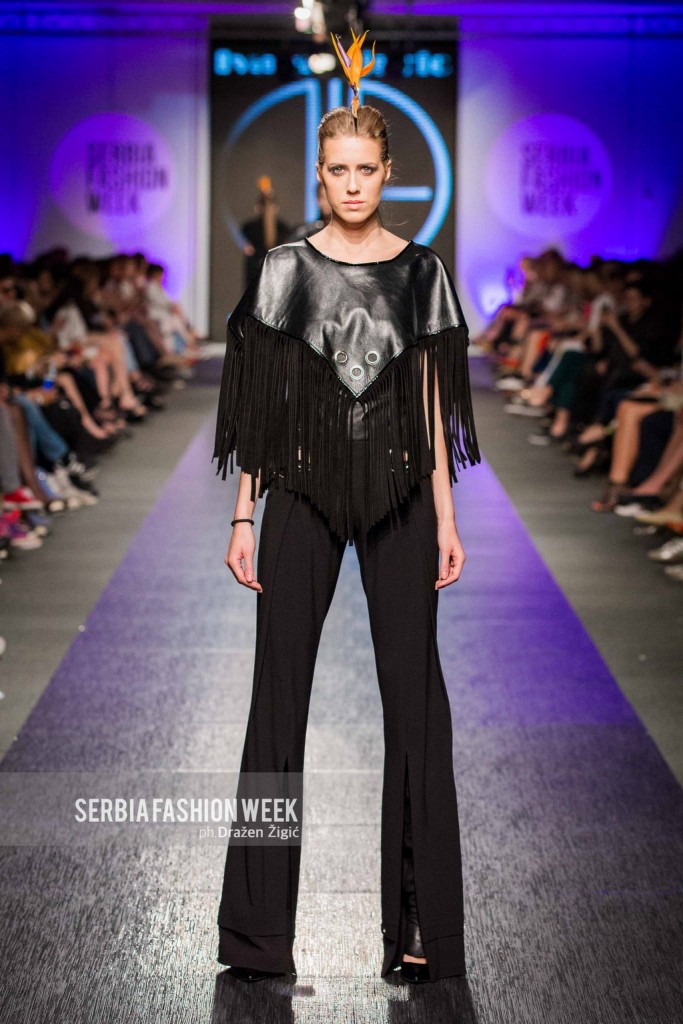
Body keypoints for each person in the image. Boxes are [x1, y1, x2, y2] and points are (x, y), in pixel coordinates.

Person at [212, 29, 480, 987]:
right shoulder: (283, 270)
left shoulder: (422, 272)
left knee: (416, 707)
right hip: (298, 491)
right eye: (338, 170)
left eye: (367, 169)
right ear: (319, 174)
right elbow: (258, 406)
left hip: (402, 495)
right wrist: (243, 515)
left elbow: (431, 406)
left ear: (387, 172)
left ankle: (420, 929)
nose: (353, 183)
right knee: (275, 703)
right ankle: (256, 938)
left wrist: (446, 518)